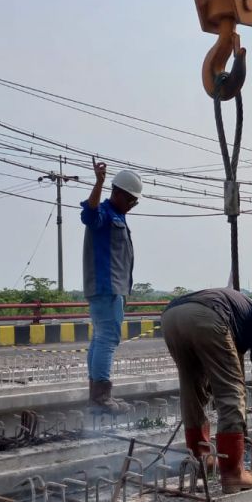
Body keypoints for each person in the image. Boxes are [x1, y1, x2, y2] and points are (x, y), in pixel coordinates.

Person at [159, 287, 252, 493]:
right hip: (207, 315)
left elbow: (218, 368)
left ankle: (202, 459)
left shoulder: (239, 314)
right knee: (231, 391)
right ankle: (233, 473)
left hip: (171, 316)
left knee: (191, 389)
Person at [81, 159, 143, 414]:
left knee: (100, 337)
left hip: (112, 288)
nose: (132, 206)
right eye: (130, 200)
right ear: (117, 193)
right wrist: (98, 183)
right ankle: (101, 397)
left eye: (134, 202)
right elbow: (89, 214)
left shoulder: (117, 215)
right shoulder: (104, 213)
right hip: (106, 287)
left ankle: (96, 393)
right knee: (107, 338)